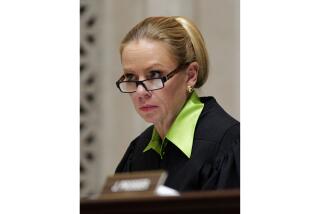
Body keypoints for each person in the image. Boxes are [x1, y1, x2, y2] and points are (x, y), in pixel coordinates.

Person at [115, 16, 240, 192]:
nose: (140, 92)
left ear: (190, 75)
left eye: (154, 74)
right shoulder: (138, 151)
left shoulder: (230, 146)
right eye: (130, 77)